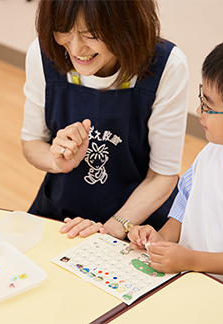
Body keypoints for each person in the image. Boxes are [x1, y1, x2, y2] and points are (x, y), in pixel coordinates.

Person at [21, 0, 189, 239]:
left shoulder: (166, 65)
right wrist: (56, 160)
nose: (76, 49)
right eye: (64, 30)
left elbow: (162, 176)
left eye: (91, 35)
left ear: (126, 25)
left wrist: (110, 229)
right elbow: (31, 143)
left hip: (137, 225)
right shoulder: (43, 53)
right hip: (62, 216)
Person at [128, 34, 223, 306]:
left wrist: (190, 259)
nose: (199, 111)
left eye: (208, 106)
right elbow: (186, 203)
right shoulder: (212, 151)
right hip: (190, 280)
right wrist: (162, 238)